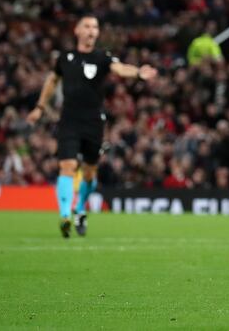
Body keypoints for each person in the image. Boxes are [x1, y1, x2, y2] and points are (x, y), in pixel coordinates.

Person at [27, 15, 157, 237]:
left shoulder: (102, 57)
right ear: (77, 31)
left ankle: (80, 210)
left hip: (94, 122)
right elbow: (52, 80)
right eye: (87, 26)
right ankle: (65, 214)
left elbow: (119, 68)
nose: (91, 31)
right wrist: (40, 107)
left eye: (95, 27)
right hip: (69, 120)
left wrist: (137, 72)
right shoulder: (65, 58)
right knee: (67, 166)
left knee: (89, 174)